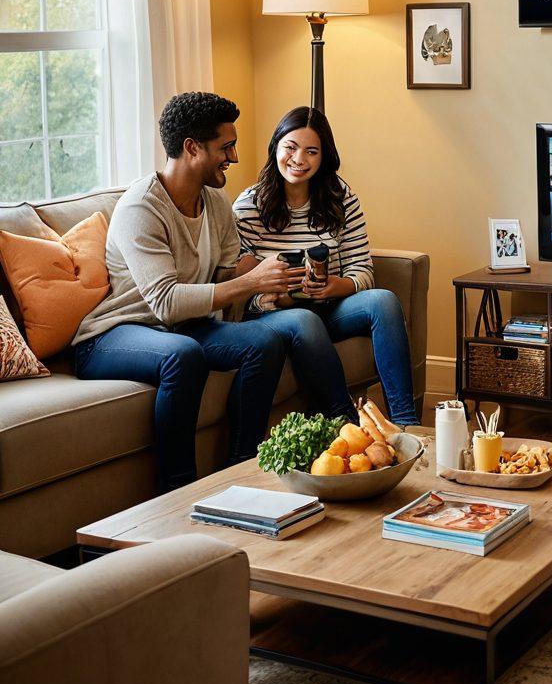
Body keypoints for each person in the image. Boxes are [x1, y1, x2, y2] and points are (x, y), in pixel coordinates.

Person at [73, 92, 305, 491]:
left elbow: (224, 274)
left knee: (265, 341)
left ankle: (244, 466)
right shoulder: (141, 209)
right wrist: (248, 281)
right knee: (184, 355)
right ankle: (177, 489)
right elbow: (164, 303)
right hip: (115, 334)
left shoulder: (215, 200)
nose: (233, 157)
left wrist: (260, 273)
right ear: (192, 148)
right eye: (225, 147)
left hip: (186, 325)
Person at [233, 106, 419, 427]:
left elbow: (362, 269)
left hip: (329, 307)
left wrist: (336, 286)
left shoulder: (340, 198)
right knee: (304, 319)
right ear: (275, 146)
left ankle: (406, 424)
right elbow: (242, 289)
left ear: (324, 157)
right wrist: (282, 297)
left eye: (311, 151)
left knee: (384, 301)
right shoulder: (249, 206)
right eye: (290, 147)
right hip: (276, 316)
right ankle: (346, 425)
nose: (299, 159)